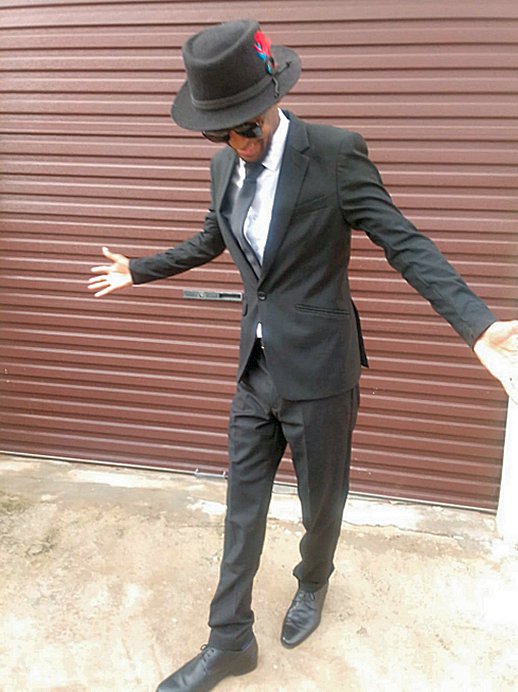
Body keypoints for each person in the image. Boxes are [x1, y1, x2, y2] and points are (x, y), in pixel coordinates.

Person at [88, 19, 518, 692]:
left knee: (322, 503)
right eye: (220, 134)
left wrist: (476, 325)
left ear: (274, 99)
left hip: (320, 371)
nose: (237, 145)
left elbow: (404, 241)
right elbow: (211, 240)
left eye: (245, 129)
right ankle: (229, 639)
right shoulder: (224, 165)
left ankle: (313, 580)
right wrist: (139, 270)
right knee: (241, 508)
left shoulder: (336, 154)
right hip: (255, 369)